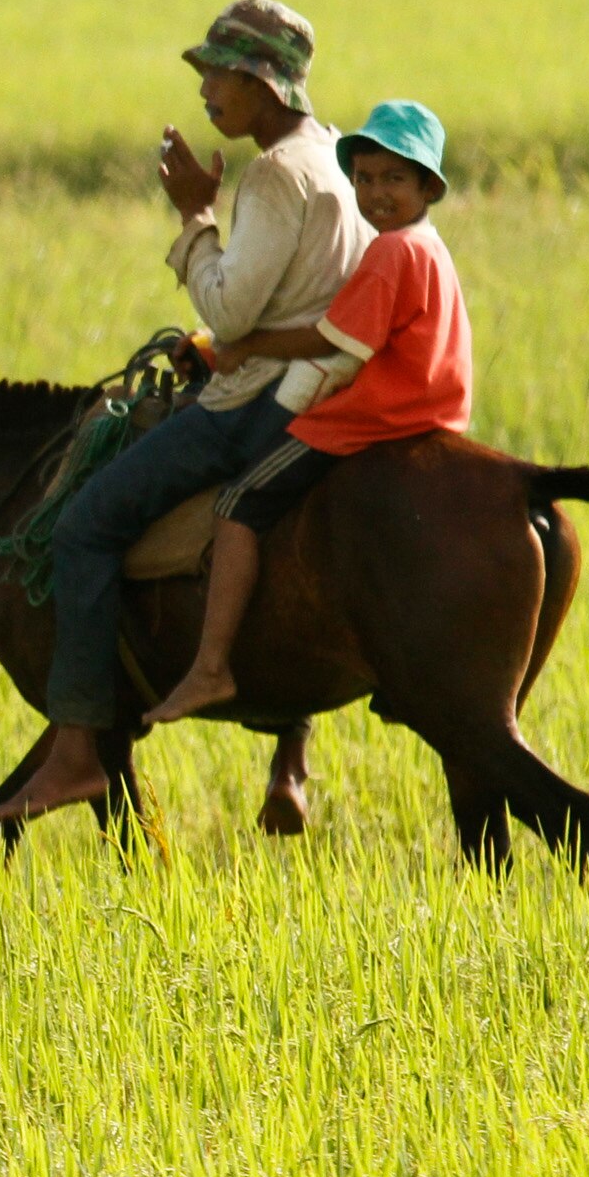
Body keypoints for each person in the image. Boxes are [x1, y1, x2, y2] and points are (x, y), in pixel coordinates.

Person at [0, 0, 368, 829]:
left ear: (262, 83)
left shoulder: (273, 174)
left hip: (251, 401)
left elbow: (229, 314)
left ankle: (82, 751)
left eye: (218, 76)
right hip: (318, 389)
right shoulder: (335, 154)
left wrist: (194, 217)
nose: (204, 94)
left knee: (84, 526)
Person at [148, 102, 472, 723]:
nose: (377, 194)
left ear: (428, 186)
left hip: (375, 413)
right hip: (434, 407)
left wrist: (241, 348)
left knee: (239, 503)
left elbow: (328, 338)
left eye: (395, 180)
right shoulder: (426, 245)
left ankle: (211, 665)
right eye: (368, 179)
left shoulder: (391, 254)